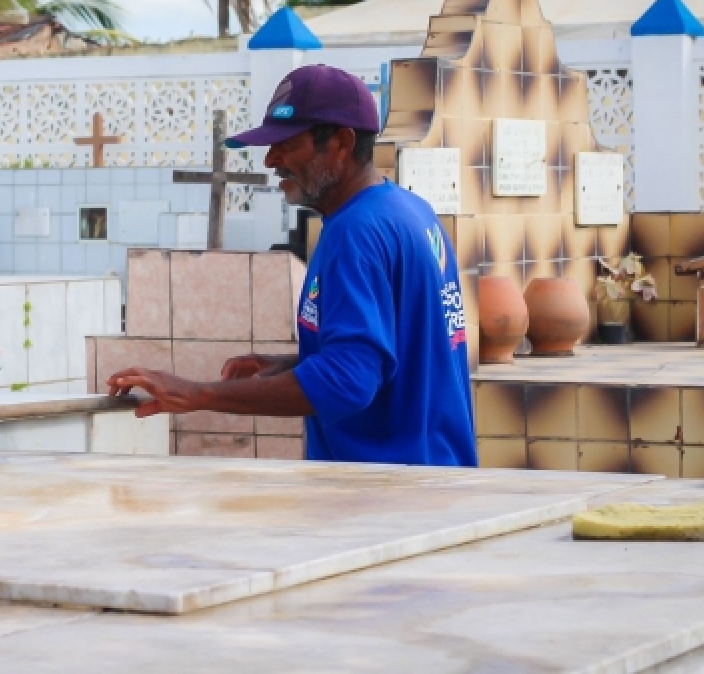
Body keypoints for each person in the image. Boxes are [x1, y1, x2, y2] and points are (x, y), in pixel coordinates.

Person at [108, 64, 477, 466]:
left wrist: (199, 393)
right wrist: (298, 361)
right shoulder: (410, 211)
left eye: (288, 144)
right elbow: (398, 352)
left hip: (385, 493)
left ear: (341, 142)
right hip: (437, 480)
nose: (271, 160)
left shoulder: (355, 232)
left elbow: (347, 383)